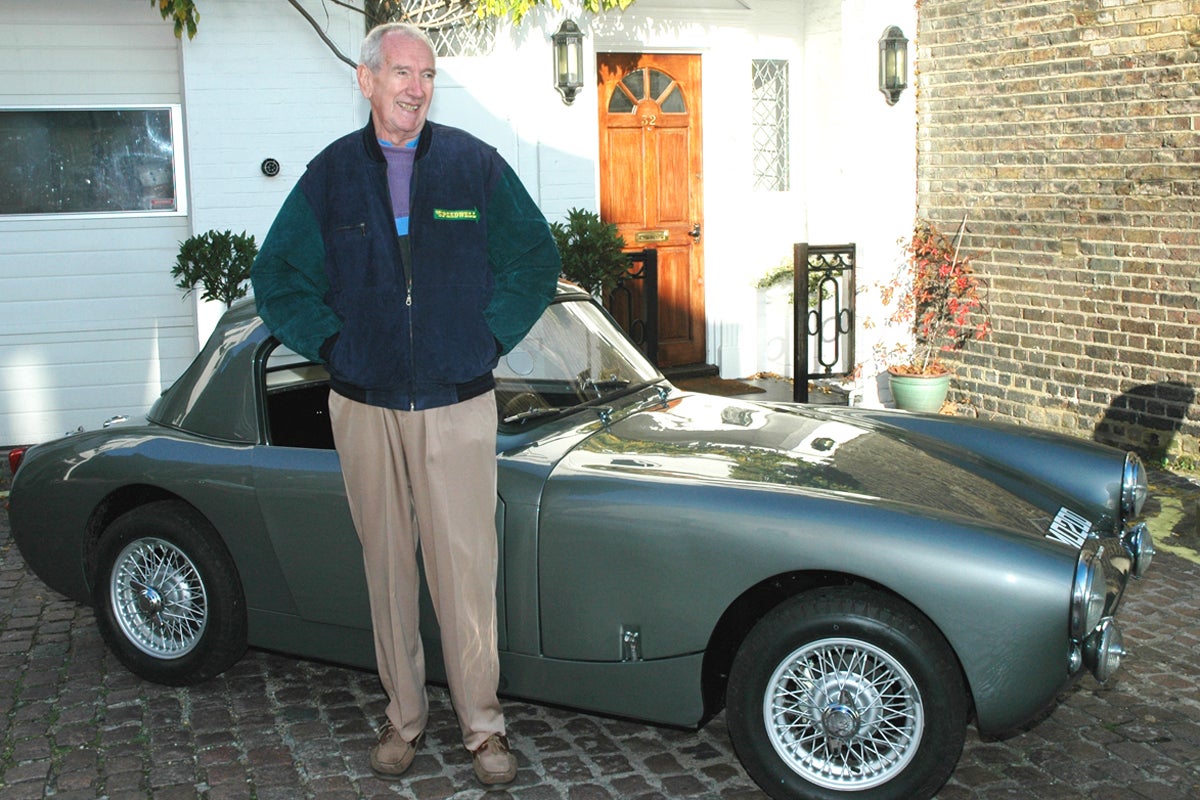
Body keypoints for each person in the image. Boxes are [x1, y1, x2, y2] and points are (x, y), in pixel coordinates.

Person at [250, 22, 561, 787]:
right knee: (387, 568)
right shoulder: (328, 176)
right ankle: (403, 719)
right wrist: (334, 346)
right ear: (367, 81)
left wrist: (484, 339)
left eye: (426, 74)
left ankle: (484, 731)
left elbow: (535, 258)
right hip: (364, 403)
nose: (415, 88)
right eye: (400, 72)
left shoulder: (473, 166)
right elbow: (277, 275)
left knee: (465, 570)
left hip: (458, 401)